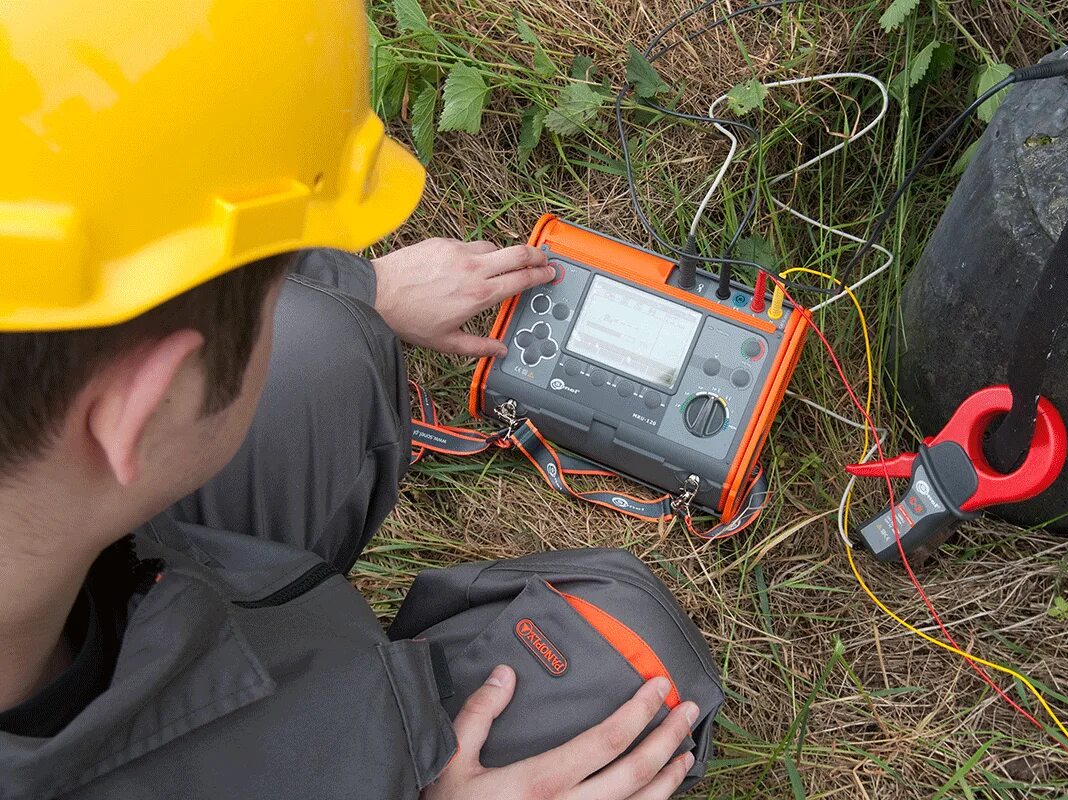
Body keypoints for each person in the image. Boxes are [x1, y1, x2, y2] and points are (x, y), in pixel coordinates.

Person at [0, 1, 700, 798]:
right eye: (276, 283)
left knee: (318, 349)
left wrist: (367, 288)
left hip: (146, 571)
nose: (286, 300)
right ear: (144, 405)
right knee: (631, 668)